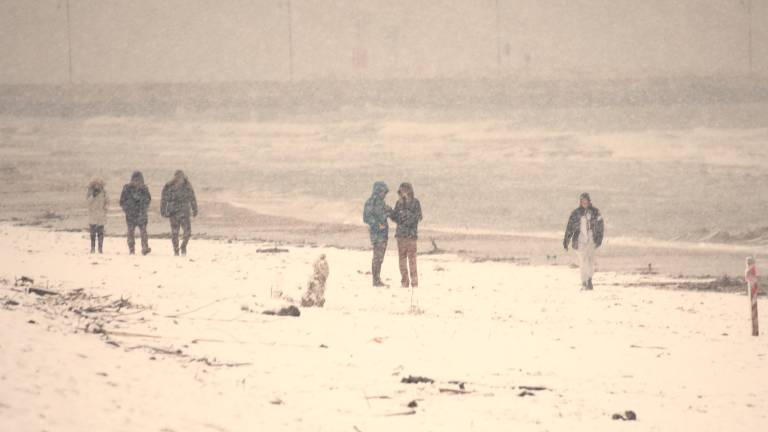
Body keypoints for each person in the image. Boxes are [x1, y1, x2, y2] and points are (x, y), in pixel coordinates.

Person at [563, 192, 605, 290]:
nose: (584, 202)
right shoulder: (576, 213)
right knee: (583, 261)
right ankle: (584, 281)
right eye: (583, 201)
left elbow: (600, 226)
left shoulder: (595, 212)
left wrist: (599, 238)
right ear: (580, 202)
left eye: (586, 200)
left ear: (589, 201)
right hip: (579, 239)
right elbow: (570, 227)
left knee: (590, 260)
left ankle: (589, 280)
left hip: (592, 238)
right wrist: (566, 240)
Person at [391, 182, 423, 288]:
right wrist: (391, 213)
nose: (402, 194)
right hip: (402, 236)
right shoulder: (399, 203)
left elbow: (417, 217)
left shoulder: (415, 203)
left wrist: (404, 214)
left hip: (410, 235)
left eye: (403, 191)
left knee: (411, 259)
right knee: (403, 259)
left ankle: (413, 282)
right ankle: (405, 282)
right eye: (401, 192)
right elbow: (395, 218)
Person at [161, 170, 198, 256]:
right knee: (178, 232)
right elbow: (164, 198)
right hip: (177, 212)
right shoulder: (170, 185)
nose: (179, 178)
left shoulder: (186, 185)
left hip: (181, 212)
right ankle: (178, 250)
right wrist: (163, 210)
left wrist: (195, 209)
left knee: (183, 232)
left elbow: (192, 197)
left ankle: (180, 248)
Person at [363, 181, 392, 287]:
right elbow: (366, 217)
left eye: (385, 192)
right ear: (378, 191)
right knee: (377, 256)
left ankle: (377, 278)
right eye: (383, 192)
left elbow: (385, 213)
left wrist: (390, 212)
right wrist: (377, 225)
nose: (384, 194)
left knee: (380, 257)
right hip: (377, 234)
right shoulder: (371, 202)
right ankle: (376, 280)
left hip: (383, 233)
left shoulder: (381, 203)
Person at [119, 171, 152, 255]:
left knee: (140, 231)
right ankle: (133, 249)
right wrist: (128, 209)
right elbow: (122, 201)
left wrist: (143, 208)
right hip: (134, 214)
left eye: (139, 179)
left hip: (138, 213)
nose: (137, 181)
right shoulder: (128, 188)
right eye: (136, 179)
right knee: (133, 232)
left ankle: (142, 248)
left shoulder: (143, 188)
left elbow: (148, 200)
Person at [86, 176, 108, 254]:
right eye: (95, 185)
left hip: (101, 215)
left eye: (99, 185)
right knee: (92, 233)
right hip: (93, 215)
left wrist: (105, 210)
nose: (97, 187)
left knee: (100, 233)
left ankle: (100, 248)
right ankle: (92, 248)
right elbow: (88, 203)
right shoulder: (90, 193)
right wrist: (93, 195)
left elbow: (106, 202)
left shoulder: (104, 193)